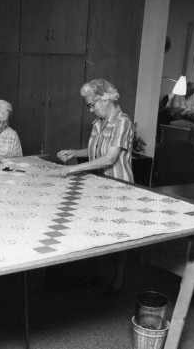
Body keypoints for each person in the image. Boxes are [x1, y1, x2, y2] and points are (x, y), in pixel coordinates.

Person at [56, 79, 133, 297]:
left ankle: (119, 278)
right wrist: (74, 153)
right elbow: (96, 151)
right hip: (98, 185)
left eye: (93, 104)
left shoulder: (122, 122)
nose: (91, 109)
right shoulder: (98, 123)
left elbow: (108, 158)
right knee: (95, 228)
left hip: (119, 185)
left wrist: (73, 169)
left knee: (120, 234)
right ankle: (94, 272)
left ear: (105, 98)